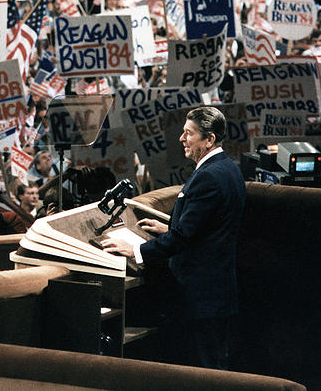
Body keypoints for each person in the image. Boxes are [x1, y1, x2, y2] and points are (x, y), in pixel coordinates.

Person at [101, 106, 246, 370]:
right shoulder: (228, 168)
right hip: (215, 294)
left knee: (203, 373)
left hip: (201, 297)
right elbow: (209, 226)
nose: (181, 139)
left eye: (188, 133)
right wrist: (170, 227)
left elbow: (183, 240)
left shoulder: (209, 176)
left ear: (209, 139)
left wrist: (135, 251)